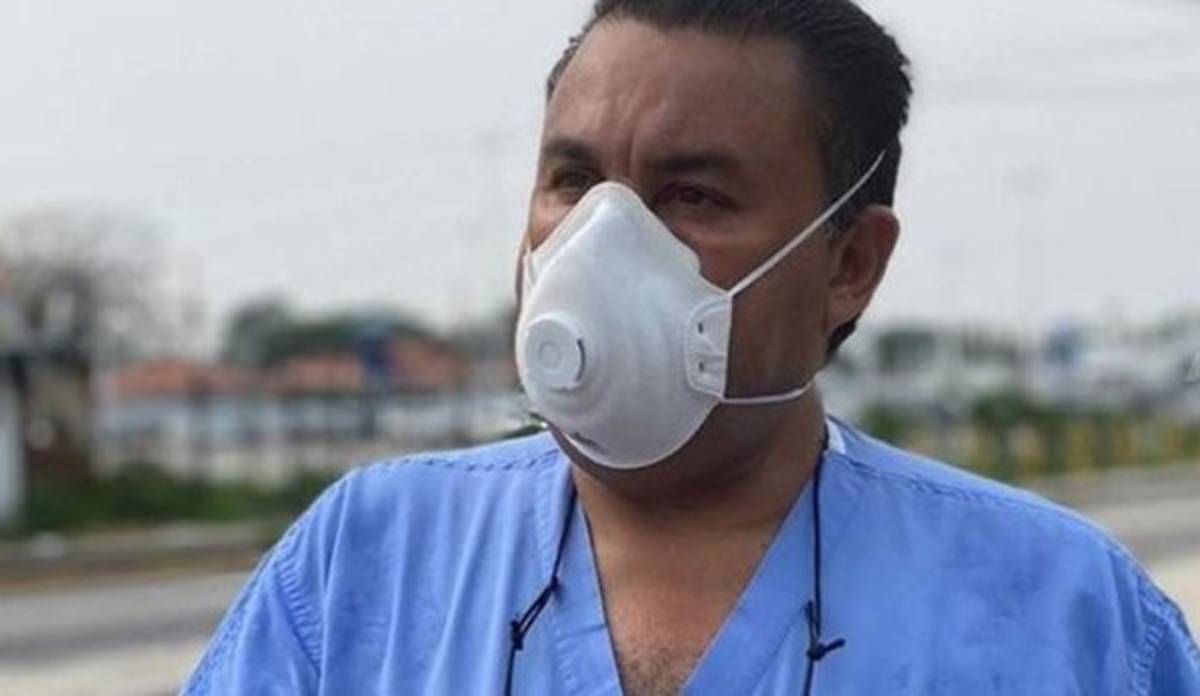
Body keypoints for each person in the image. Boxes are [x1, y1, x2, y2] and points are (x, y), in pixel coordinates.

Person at [183, 1, 1200, 694]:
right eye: (574, 182)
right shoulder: (367, 565)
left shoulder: (1061, 614)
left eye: (693, 196)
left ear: (850, 263)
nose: (601, 242)